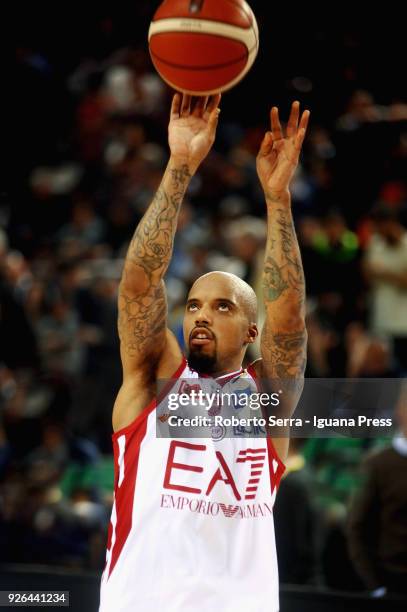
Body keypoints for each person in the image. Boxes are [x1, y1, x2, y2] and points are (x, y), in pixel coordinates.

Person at [99, 93, 310, 612]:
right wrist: (179, 167)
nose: (200, 315)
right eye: (193, 305)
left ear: (250, 329)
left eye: (221, 307)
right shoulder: (152, 382)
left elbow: (289, 318)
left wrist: (278, 202)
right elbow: (138, 284)